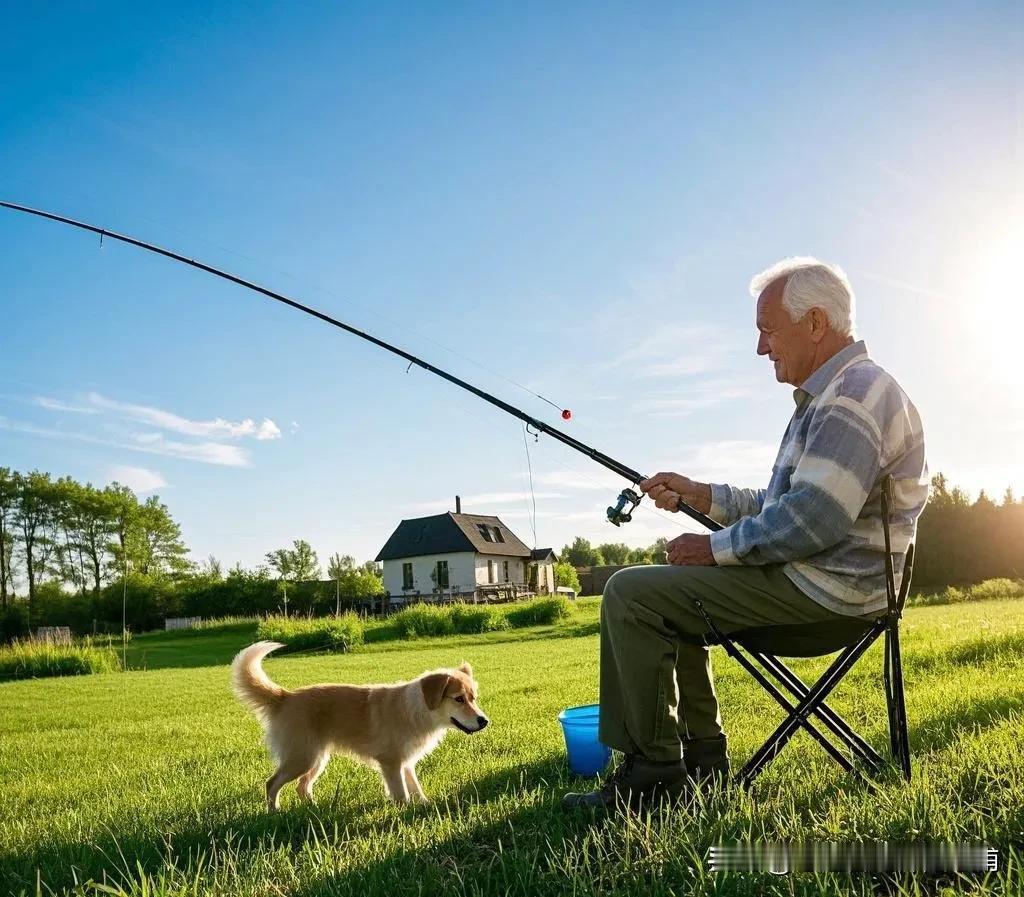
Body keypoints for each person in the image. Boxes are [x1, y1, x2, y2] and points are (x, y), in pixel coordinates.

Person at [563, 257, 929, 811]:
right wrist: (699, 495)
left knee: (629, 593)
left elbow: (812, 519)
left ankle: (655, 774)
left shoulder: (854, 394)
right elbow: (782, 506)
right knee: (666, 593)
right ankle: (698, 764)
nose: (761, 348)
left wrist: (712, 549)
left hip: (826, 596)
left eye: (767, 330)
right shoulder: (833, 395)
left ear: (814, 323)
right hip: (820, 585)